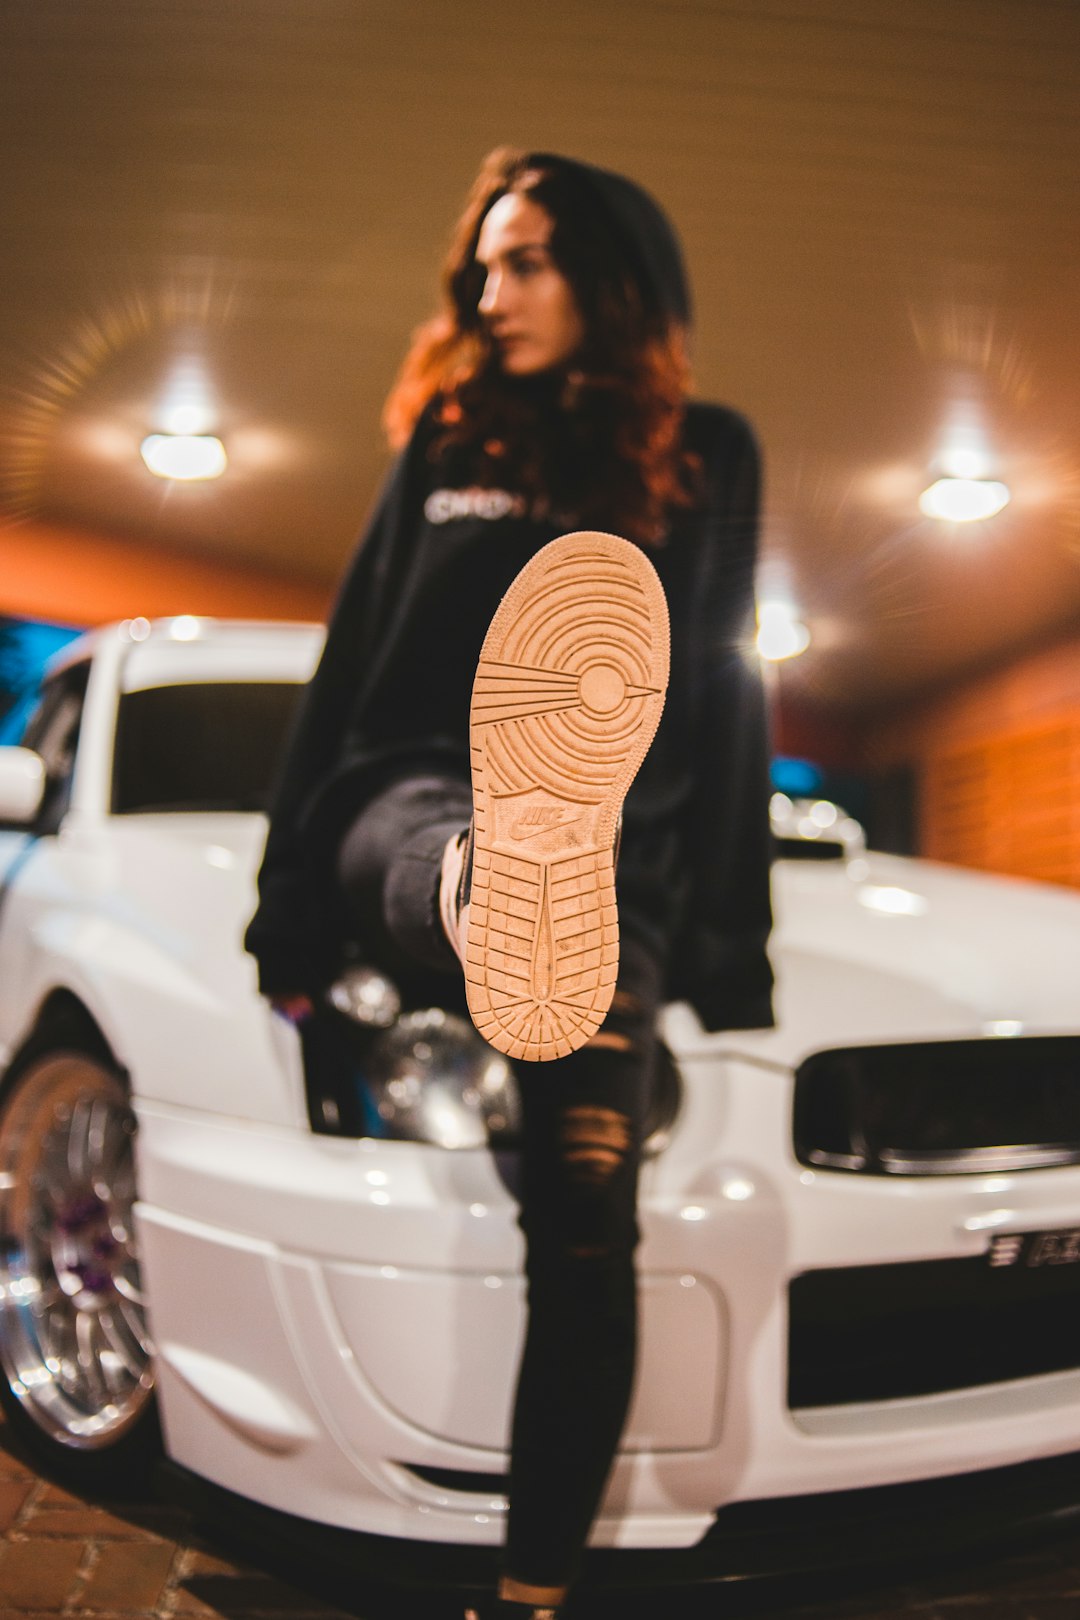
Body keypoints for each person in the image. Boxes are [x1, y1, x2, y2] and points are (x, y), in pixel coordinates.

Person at [245, 147, 775, 1619]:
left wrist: (728, 950)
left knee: (587, 1218)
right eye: (481, 267)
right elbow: (352, 669)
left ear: (609, 276)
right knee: (429, 831)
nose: (492, 293)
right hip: (412, 802)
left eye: (525, 260)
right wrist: (286, 912)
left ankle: (530, 1590)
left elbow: (728, 705)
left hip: (612, 870)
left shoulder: (706, 453)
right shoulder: (449, 447)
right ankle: (493, 881)